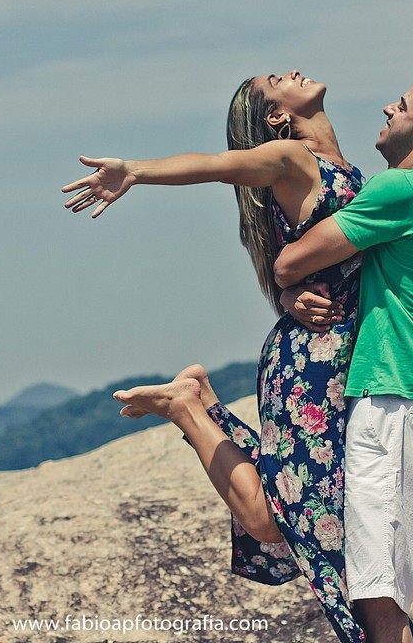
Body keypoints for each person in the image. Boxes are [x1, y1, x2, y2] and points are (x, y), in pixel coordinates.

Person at [62, 70, 366, 642]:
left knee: (299, 511)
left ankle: (196, 398)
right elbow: (213, 165)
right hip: (310, 367)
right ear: (276, 116)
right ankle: (187, 408)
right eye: (278, 80)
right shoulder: (290, 158)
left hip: (330, 357)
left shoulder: (341, 168)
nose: (294, 72)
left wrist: (285, 287)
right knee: (276, 518)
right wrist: (135, 171)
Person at [273, 76, 413, 643]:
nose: (389, 107)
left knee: (376, 595)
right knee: (375, 591)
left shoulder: (404, 190)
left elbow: (295, 260)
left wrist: (283, 279)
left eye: (404, 105)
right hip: (396, 398)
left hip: (394, 404)